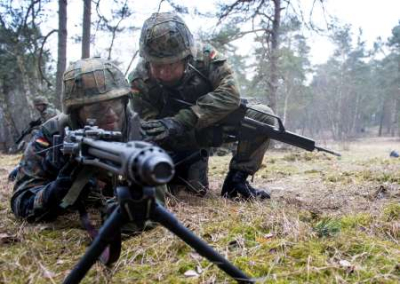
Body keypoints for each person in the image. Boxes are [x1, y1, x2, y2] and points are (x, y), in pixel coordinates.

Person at [129, 12, 273, 200]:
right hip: (175, 143)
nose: (163, 72)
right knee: (192, 190)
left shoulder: (206, 58)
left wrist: (183, 120)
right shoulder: (139, 81)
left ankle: (237, 181)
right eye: (156, 66)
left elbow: (231, 95)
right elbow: (150, 131)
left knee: (262, 116)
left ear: (187, 58)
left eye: (171, 65)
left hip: (211, 127)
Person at [10, 57, 163, 225]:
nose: (111, 114)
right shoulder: (53, 134)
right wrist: (57, 190)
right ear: (75, 113)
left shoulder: (137, 130)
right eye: (97, 109)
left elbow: (158, 188)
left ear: (125, 101)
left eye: (116, 104)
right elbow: (21, 203)